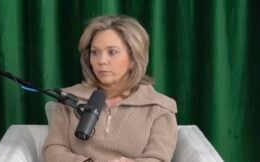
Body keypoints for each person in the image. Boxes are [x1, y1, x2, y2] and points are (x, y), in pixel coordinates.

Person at [42, 15, 178, 162]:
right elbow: (53, 150)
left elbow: (158, 159)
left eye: (112, 52)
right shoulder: (69, 99)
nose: (101, 60)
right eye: (95, 52)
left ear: (133, 59)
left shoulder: (159, 108)